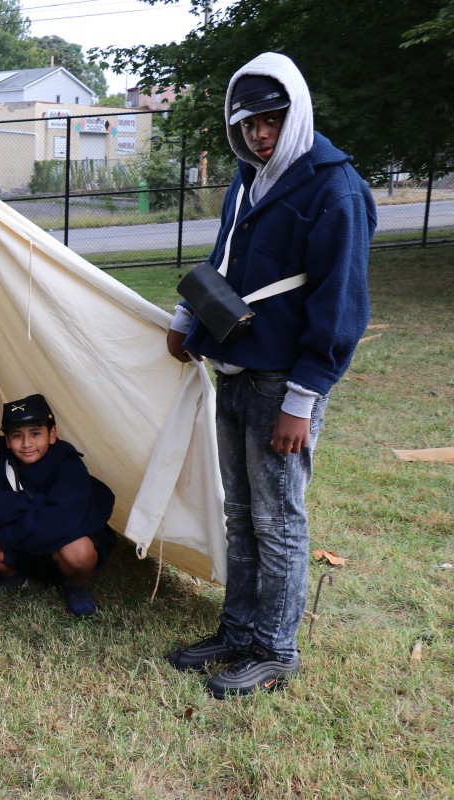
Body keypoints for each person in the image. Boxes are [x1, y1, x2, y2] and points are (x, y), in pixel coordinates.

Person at [165, 53, 375, 698]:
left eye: (273, 119)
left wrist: (303, 399)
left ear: (298, 112)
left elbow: (341, 304)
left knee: (279, 522)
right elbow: (225, 255)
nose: (260, 133)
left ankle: (276, 651)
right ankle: (238, 630)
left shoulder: (333, 188)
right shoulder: (249, 177)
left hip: (283, 382)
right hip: (236, 369)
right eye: (249, 122)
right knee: (241, 515)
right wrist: (186, 314)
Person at [0, 394, 116, 615]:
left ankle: (75, 585)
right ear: (7, 440)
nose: (26, 444)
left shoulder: (69, 465)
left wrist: (6, 534)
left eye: (35, 434)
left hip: (59, 544)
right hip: (27, 543)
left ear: (52, 434)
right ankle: (16, 576)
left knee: (79, 551)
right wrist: (35, 500)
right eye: (17, 436)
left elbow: (62, 520)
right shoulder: (1, 465)